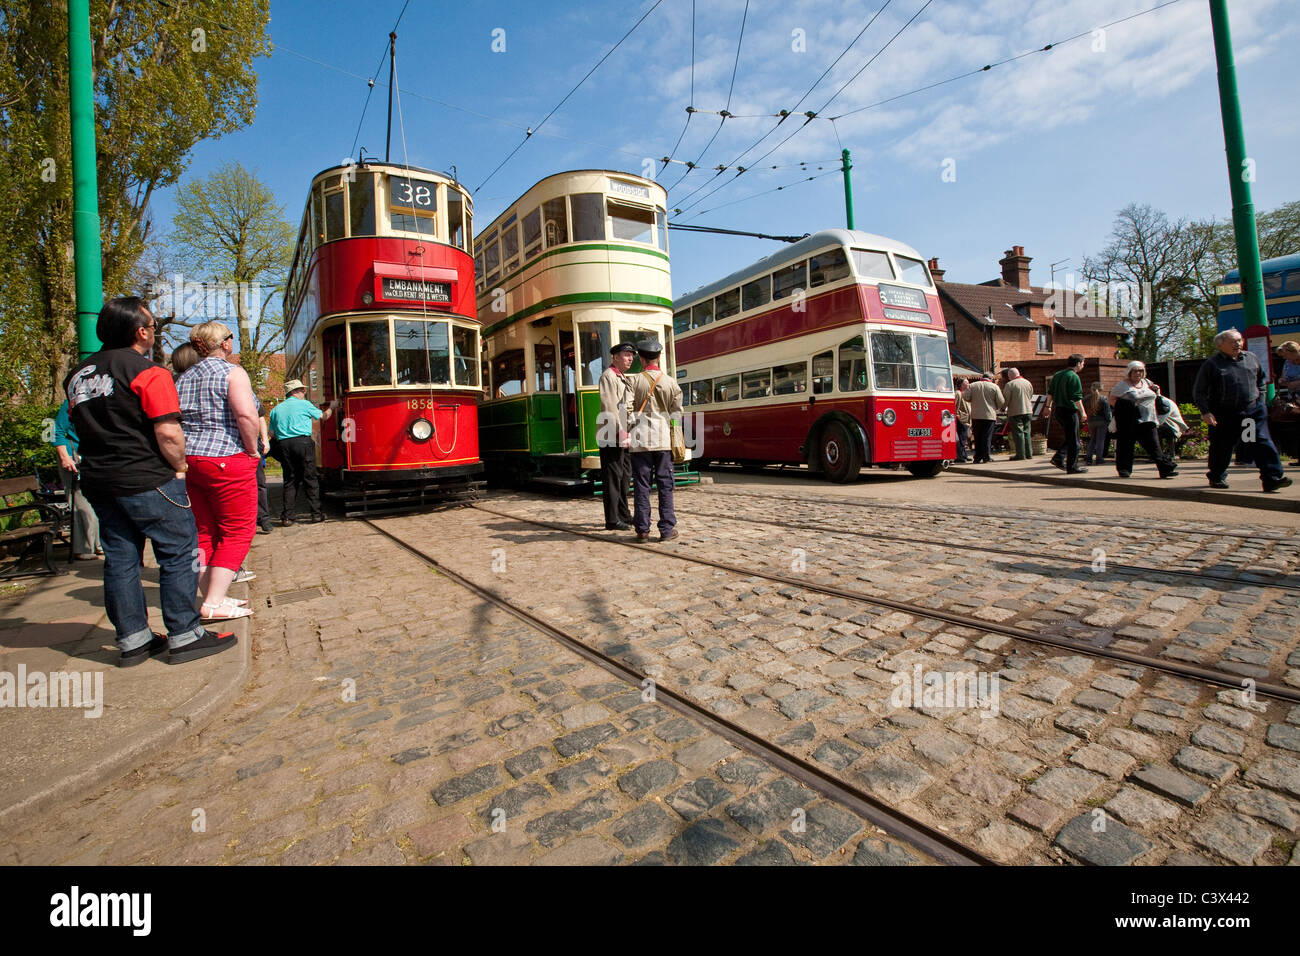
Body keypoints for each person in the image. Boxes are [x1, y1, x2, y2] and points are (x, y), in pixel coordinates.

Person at [63, 297, 237, 667]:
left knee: (121, 557)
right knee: (178, 551)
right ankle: (185, 634)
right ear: (141, 332)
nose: (154, 333)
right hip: (146, 476)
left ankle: (134, 640)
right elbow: (168, 431)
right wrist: (180, 467)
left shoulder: (77, 375)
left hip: (98, 479)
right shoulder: (148, 372)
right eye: (153, 327)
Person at [177, 321, 262, 621]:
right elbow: (245, 415)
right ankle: (214, 602)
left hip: (191, 462)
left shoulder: (184, 377)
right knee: (237, 531)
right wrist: (252, 450)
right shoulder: (232, 373)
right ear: (225, 343)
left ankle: (210, 596)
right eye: (231, 338)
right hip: (226, 459)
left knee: (204, 531)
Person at [1194, 329, 1290, 492]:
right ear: (1220, 345)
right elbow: (1199, 391)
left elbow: (1261, 380)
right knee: (1222, 447)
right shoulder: (1212, 364)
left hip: (1249, 413)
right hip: (1224, 414)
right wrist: (1206, 412)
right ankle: (1217, 476)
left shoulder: (1251, 358)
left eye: (1239, 340)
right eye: (1233, 341)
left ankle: (1271, 478)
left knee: (1258, 442)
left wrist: (1260, 401)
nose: (1237, 343)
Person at [627, 339, 683, 543]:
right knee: (665, 485)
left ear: (641, 359)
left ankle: (642, 530)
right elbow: (677, 413)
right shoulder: (670, 382)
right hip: (663, 441)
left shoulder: (633, 382)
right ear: (659, 357)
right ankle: (666, 529)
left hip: (639, 442)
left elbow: (625, 409)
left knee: (641, 485)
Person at [269, 379, 336, 523]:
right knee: (310, 479)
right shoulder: (304, 404)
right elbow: (323, 416)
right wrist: (332, 406)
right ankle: (316, 514)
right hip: (303, 443)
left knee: (290, 480)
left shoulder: (275, 410)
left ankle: (287, 517)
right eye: (302, 390)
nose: (304, 392)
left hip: (284, 445)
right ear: (293, 392)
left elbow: (272, 433)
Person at [1109, 361, 1178, 479]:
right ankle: (1124, 469)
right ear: (1129, 372)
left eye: (1140, 371)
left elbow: (1155, 395)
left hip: (1149, 419)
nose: (1138, 373)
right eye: (1135, 371)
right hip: (1129, 420)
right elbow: (1111, 399)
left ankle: (1165, 468)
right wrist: (1125, 408)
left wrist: (1156, 390)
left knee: (1154, 445)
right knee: (1126, 444)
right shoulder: (1122, 385)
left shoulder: (1146, 382)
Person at [51, 399, 101, 560]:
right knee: (80, 503)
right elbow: (56, 431)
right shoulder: (71, 401)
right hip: (72, 456)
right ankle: (83, 548)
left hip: (92, 456)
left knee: (99, 502)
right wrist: (65, 458)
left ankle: (99, 544)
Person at [597, 342, 635, 530]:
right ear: (615, 357)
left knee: (624, 477)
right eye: (626, 354)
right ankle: (612, 519)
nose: (630, 358)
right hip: (612, 435)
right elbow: (609, 407)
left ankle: (624, 514)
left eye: (631, 355)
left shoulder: (622, 378)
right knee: (613, 479)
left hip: (624, 435)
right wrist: (620, 432)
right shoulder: (608, 376)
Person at [1045, 354, 1088, 474]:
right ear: (1078, 364)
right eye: (1083, 363)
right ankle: (1072, 467)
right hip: (1069, 410)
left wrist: (1048, 407)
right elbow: (1076, 398)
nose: (1083, 366)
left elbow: (1050, 393)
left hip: (1058, 410)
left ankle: (1059, 457)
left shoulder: (1058, 374)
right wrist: (1083, 412)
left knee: (1071, 437)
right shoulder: (1073, 376)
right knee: (1074, 440)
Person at [966, 373, 1004, 464]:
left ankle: (977, 457)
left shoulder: (972, 385)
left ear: (982, 378)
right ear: (990, 378)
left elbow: (965, 396)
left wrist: (973, 400)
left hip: (976, 415)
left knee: (977, 436)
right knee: (987, 436)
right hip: (989, 415)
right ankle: (986, 457)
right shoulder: (994, 387)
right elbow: (1001, 401)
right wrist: (996, 407)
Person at [1002, 368, 1034, 460]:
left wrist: (1003, 408)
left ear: (1010, 376)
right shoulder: (1027, 382)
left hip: (1016, 411)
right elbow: (1031, 395)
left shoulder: (1010, 384)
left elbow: (1006, 399)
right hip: (1028, 410)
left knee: (1018, 433)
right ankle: (1029, 453)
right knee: (1027, 432)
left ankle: (1021, 455)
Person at [1083, 382, 1112, 465]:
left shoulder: (1086, 399)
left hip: (1091, 421)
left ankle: (1088, 458)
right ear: (1101, 389)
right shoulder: (1103, 399)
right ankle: (1099, 458)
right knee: (1100, 440)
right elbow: (1107, 412)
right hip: (1102, 421)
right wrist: (1109, 420)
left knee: (1093, 439)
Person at [1155, 394, 1188, 460]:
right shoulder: (1160, 401)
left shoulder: (1165, 403)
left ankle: (1159, 455)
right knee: (1155, 431)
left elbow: (1160, 421)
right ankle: (1158, 455)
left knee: (1155, 431)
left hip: (1174, 428)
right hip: (1168, 426)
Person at [953, 377, 971, 463]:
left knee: (964, 438)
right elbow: (954, 405)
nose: (968, 384)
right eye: (965, 383)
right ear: (960, 385)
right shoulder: (958, 393)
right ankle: (960, 456)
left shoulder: (965, 393)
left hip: (966, 418)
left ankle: (963, 455)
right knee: (961, 438)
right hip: (961, 418)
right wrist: (957, 415)